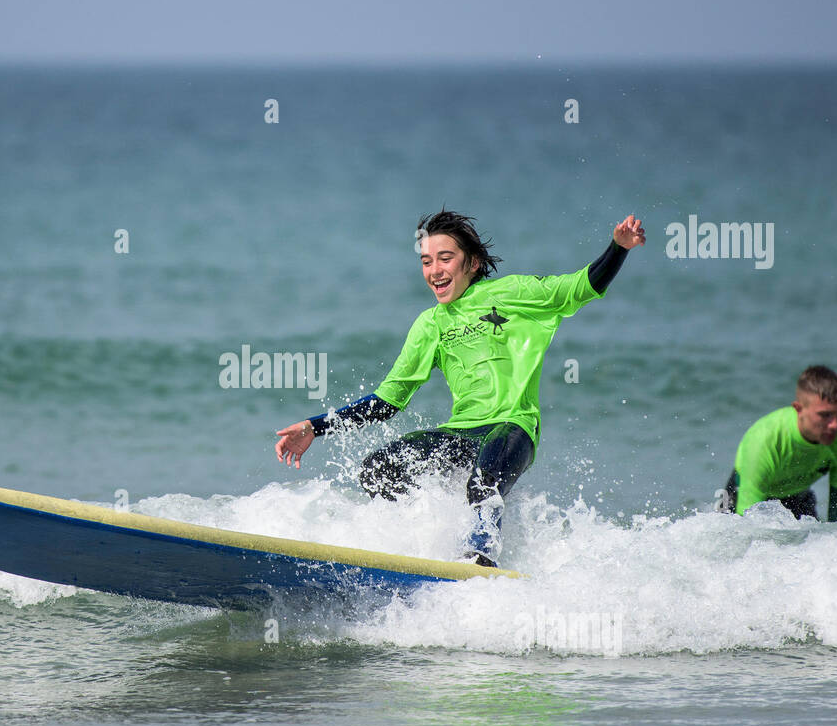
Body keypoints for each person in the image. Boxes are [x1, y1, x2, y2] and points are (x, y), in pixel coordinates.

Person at [274, 210, 646, 567]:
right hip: (461, 432)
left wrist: (618, 248)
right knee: (378, 470)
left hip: (512, 427)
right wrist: (314, 426)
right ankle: (419, 547)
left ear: (472, 263)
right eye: (425, 261)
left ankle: (480, 558)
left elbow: (582, 286)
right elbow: (387, 401)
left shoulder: (514, 292)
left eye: (445, 258)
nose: (434, 271)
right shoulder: (429, 325)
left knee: (484, 479)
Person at [718, 365, 837, 521]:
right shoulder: (765, 441)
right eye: (825, 415)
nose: (835, 425)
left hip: (799, 496)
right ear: (798, 409)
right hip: (742, 492)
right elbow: (749, 525)